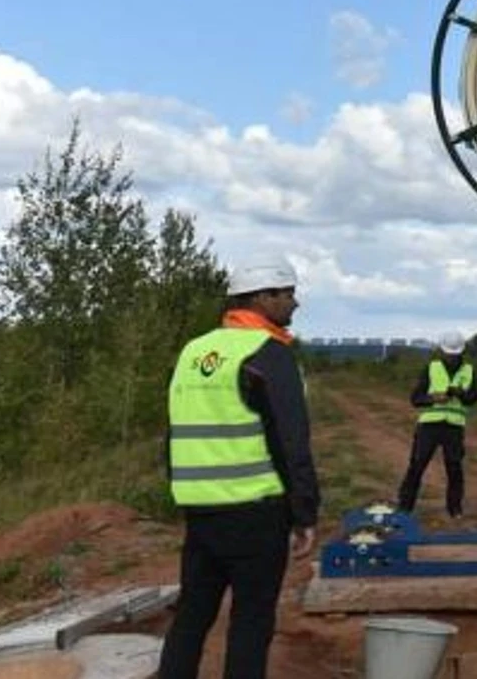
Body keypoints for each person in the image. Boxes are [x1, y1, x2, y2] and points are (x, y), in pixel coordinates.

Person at [158, 257, 320, 679]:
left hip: (200, 512)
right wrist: (304, 513)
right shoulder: (269, 354)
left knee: (192, 615)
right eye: (287, 294)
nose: (294, 303)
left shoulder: (193, 351)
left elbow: (175, 431)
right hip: (254, 511)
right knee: (251, 621)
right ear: (262, 298)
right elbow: (291, 442)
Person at [394, 330, 477, 520]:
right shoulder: (431, 368)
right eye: (449, 354)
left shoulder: (468, 371)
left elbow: (473, 398)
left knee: (454, 468)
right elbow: (415, 399)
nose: (452, 357)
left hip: (454, 427)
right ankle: (405, 507)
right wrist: (433, 398)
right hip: (430, 425)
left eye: (454, 354)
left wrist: (460, 393)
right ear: (442, 352)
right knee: (417, 465)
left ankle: (454, 509)